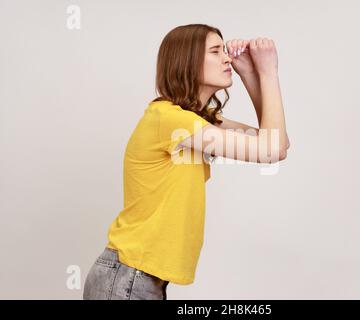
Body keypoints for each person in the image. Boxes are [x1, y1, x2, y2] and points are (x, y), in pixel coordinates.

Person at [82, 23, 290, 300]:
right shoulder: (171, 120)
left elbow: (278, 144)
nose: (227, 57)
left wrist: (251, 75)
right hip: (127, 277)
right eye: (216, 51)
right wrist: (268, 72)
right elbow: (271, 150)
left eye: (224, 50)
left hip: (136, 279)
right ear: (187, 62)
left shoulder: (196, 119)